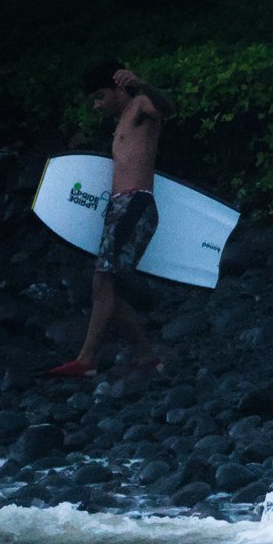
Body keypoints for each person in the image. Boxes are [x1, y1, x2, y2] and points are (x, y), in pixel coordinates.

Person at [45, 62, 175, 378]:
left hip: (135, 204)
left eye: (101, 97)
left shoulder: (141, 105)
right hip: (120, 207)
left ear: (119, 88)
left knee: (103, 280)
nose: (98, 105)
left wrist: (142, 83)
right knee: (107, 287)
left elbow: (170, 109)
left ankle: (86, 359)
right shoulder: (121, 123)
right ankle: (147, 358)